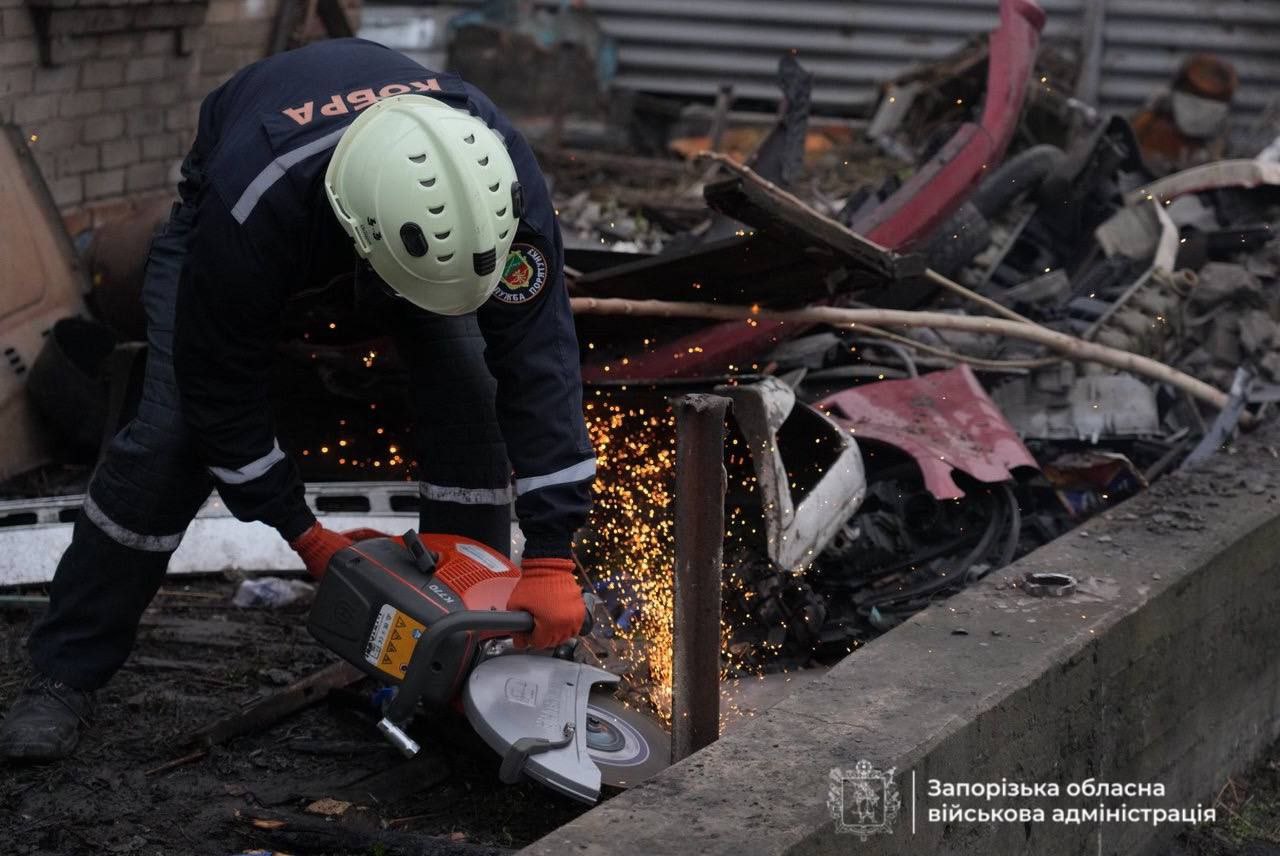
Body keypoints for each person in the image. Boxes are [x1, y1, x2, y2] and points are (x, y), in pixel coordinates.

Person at [0, 38, 596, 761]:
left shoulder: (501, 180)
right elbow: (221, 389)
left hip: (410, 226)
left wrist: (552, 555)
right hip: (255, 211)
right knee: (169, 442)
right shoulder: (251, 211)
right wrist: (303, 534)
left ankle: (468, 656)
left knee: (471, 393)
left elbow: (541, 364)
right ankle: (63, 675)